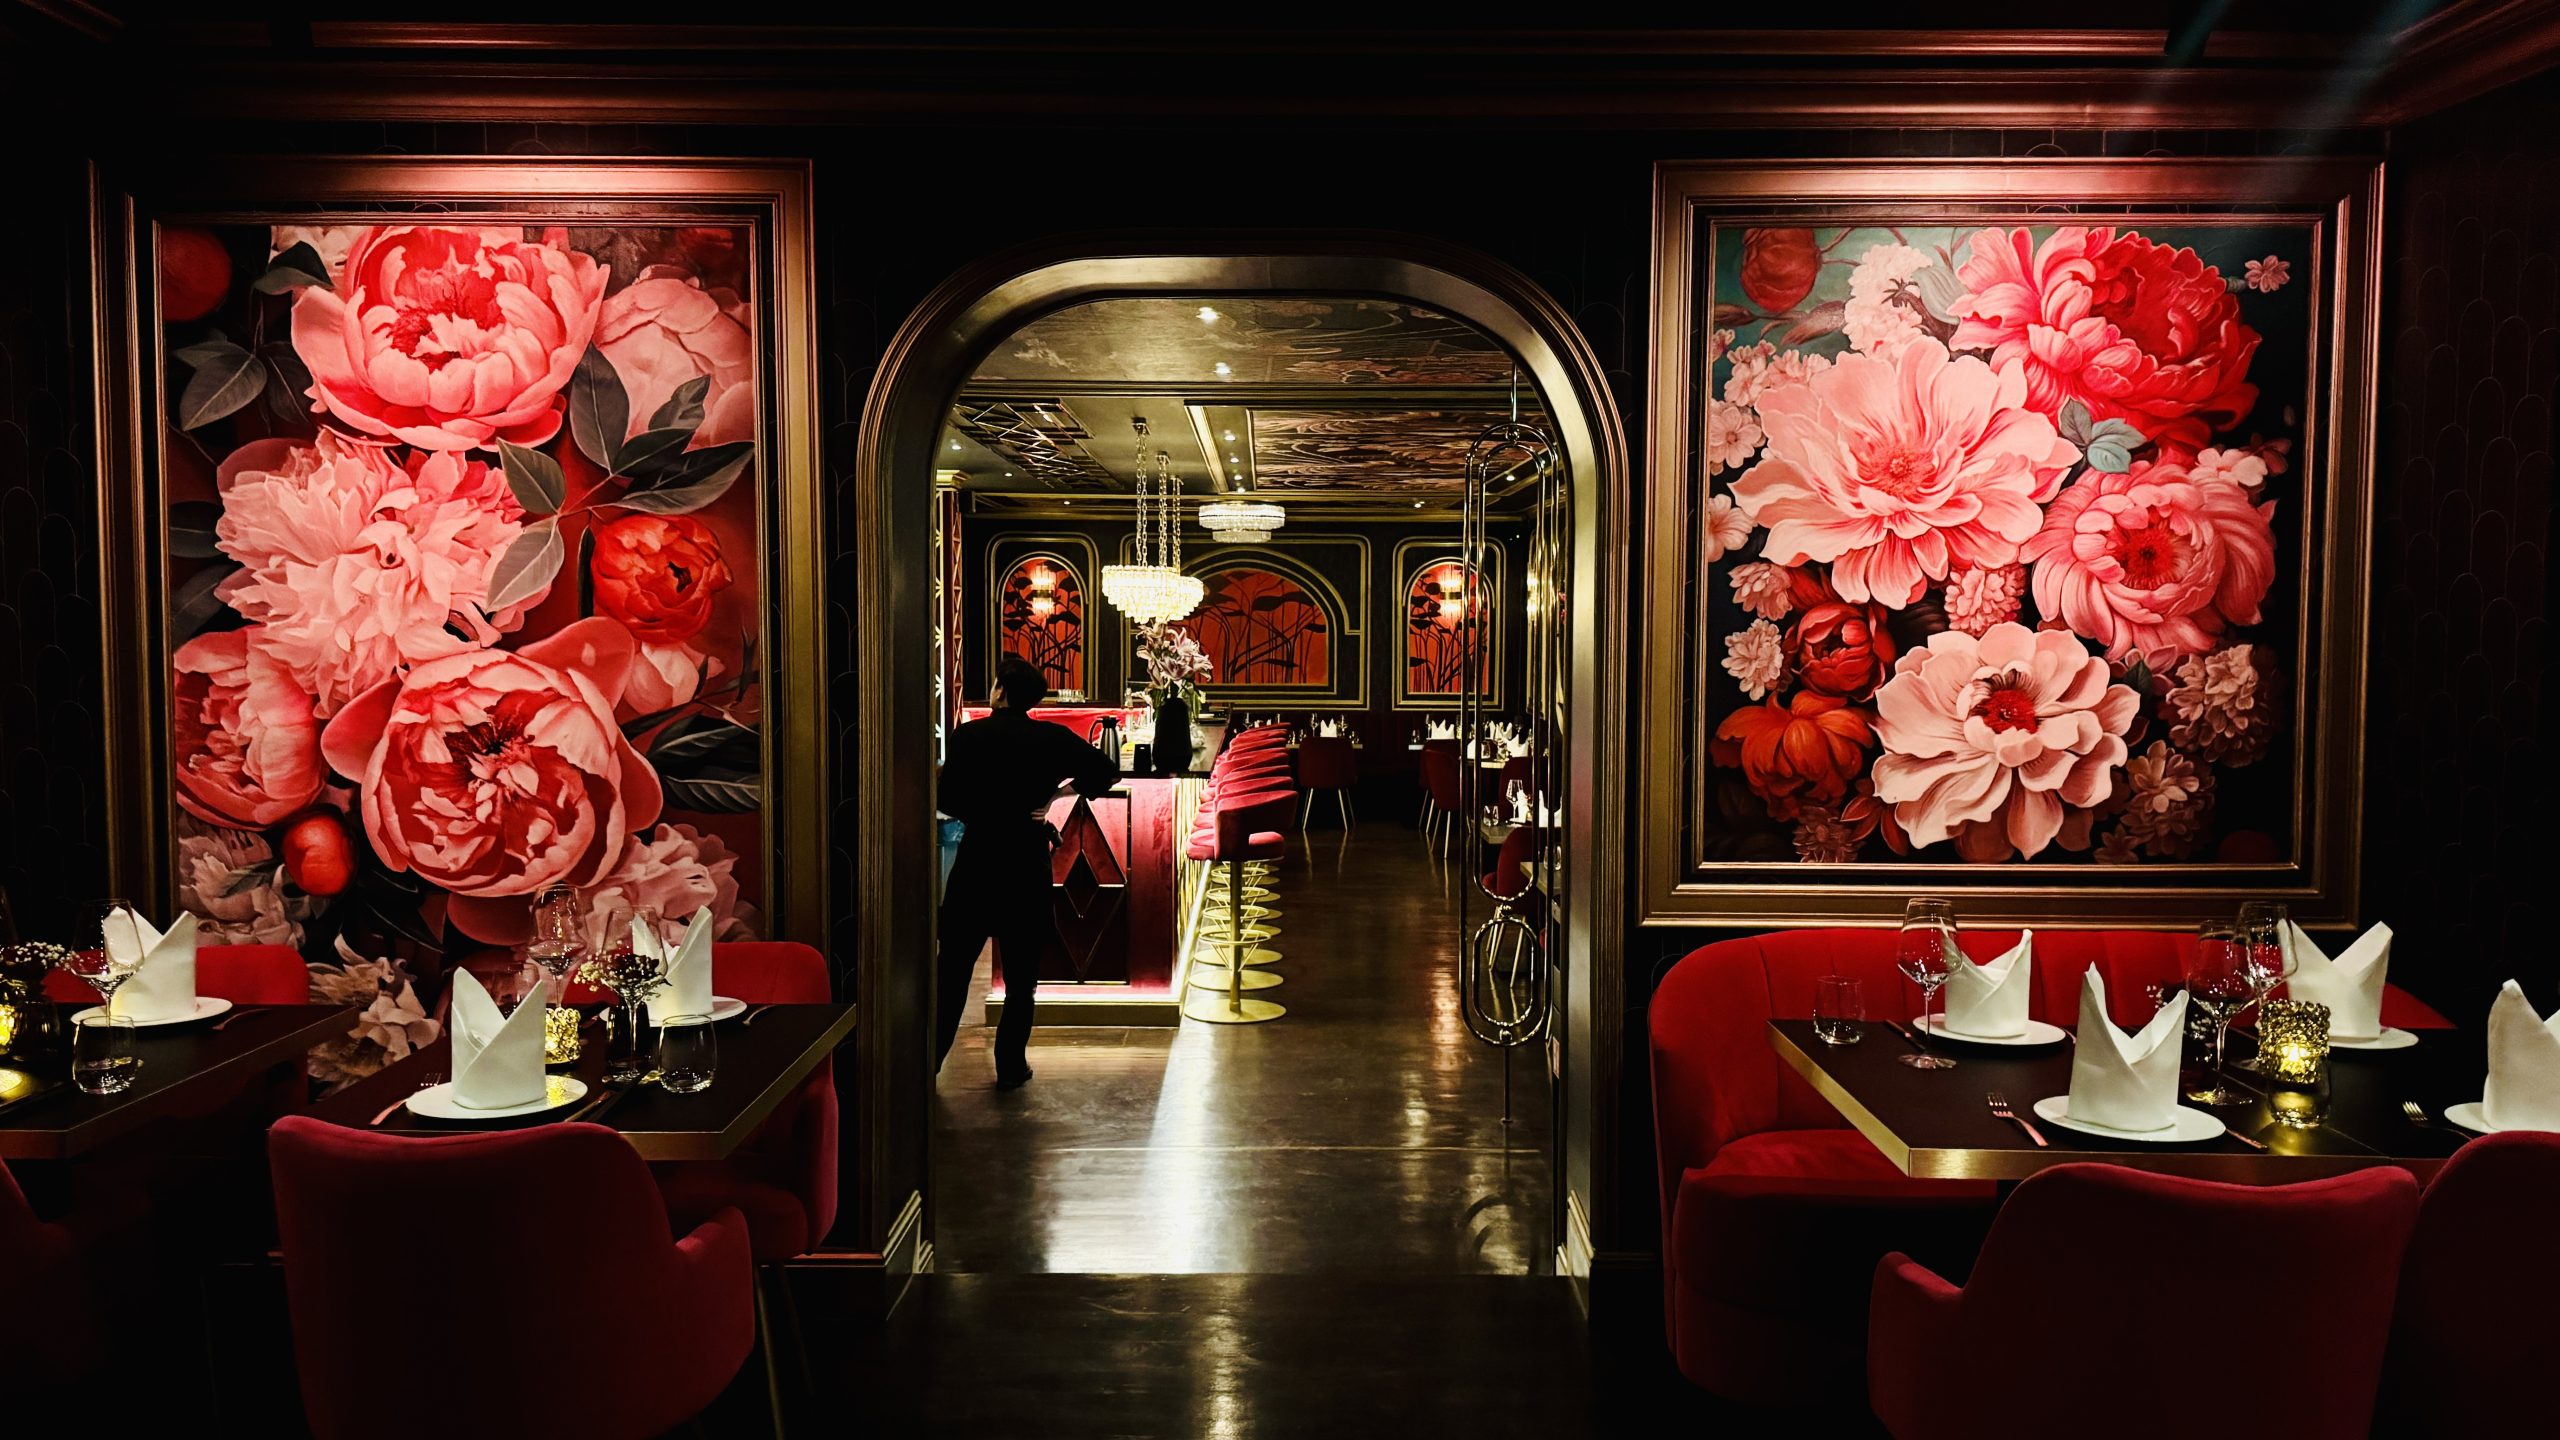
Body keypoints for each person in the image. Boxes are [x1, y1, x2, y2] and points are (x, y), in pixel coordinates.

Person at [934, 657, 1120, 1087]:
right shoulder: (1050, 737)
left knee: (953, 972)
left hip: (978, 861)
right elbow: (1105, 771)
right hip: (1025, 863)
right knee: (1021, 981)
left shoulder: (969, 737)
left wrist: (984, 811)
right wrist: (1057, 794)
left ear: (999, 691)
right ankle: (1010, 1067)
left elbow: (948, 798)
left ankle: (931, 1061)